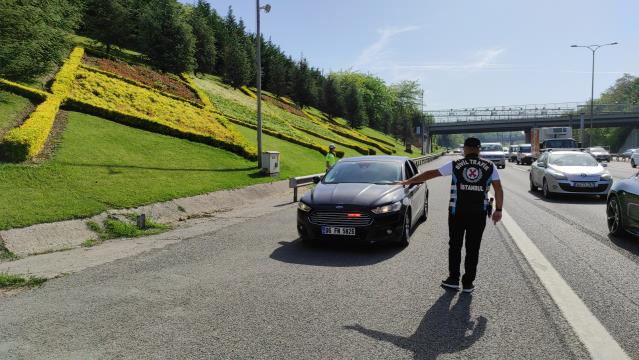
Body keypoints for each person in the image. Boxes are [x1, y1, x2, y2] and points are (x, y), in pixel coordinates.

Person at [400, 137, 503, 293]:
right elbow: (499, 189)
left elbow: (431, 173)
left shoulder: (456, 164)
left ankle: (453, 280)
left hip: (457, 213)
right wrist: (499, 210)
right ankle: (468, 283)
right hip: (478, 214)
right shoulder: (490, 166)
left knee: (455, 246)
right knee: (473, 248)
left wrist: (408, 181)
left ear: (466, 149)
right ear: (479, 149)